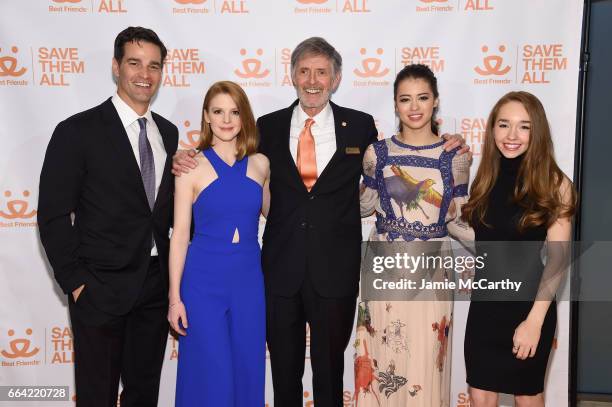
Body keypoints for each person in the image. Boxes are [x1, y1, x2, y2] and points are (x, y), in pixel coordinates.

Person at [172, 38, 468, 406]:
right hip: (278, 272)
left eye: (322, 72)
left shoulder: (360, 128)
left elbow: (399, 162)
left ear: (336, 77)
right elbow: (229, 160)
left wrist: (449, 142)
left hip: (336, 272)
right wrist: (185, 157)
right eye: (305, 71)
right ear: (293, 75)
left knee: (329, 376)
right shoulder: (268, 126)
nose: (313, 80)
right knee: (283, 374)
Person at [38, 27, 177, 407]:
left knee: (143, 393)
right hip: (99, 288)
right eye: (134, 63)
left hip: (153, 287)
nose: (144, 74)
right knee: (97, 395)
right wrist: (76, 282)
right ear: (116, 67)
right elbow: (51, 214)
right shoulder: (77, 131)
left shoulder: (169, 132)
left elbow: (163, 213)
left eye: (153, 65)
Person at [355, 64, 470, 407]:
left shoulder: (454, 156)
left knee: (425, 363)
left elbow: (458, 216)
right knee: (381, 359)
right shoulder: (378, 153)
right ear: (395, 104)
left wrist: (509, 250)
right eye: (405, 99)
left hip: (432, 270)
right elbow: (364, 207)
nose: (415, 107)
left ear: (435, 101)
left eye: (423, 98)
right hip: (384, 267)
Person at [461, 91, 576, 407]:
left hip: (529, 307)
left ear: (537, 132)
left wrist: (534, 322)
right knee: (480, 395)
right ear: (492, 129)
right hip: (485, 306)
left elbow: (559, 258)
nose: (512, 136)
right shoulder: (484, 179)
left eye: (524, 127)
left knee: (528, 398)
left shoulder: (556, 184)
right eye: (504, 125)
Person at [168, 81, 269, 406]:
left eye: (234, 111)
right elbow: (180, 235)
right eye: (218, 111)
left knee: (247, 370)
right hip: (203, 283)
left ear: (244, 117)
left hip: (249, 281)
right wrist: (174, 298)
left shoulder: (260, 164)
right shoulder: (189, 167)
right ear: (206, 117)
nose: (226, 119)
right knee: (209, 375)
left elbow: (281, 216)